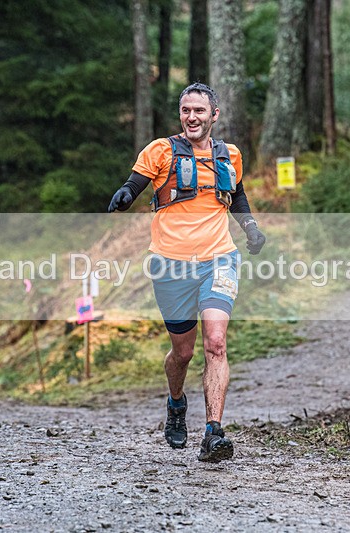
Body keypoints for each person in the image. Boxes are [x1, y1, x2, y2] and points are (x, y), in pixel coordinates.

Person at [107, 82, 266, 462]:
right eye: (185, 111)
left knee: (216, 342)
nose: (191, 117)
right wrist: (126, 195)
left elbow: (237, 195)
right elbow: (135, 183)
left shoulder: (230, 154)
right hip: (170, 264)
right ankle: (176, 402)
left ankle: (213, 432)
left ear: (214, 115)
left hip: (219, 259)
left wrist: (250, 227)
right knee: (183, 353)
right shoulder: (160, 150)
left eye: (199, 111)